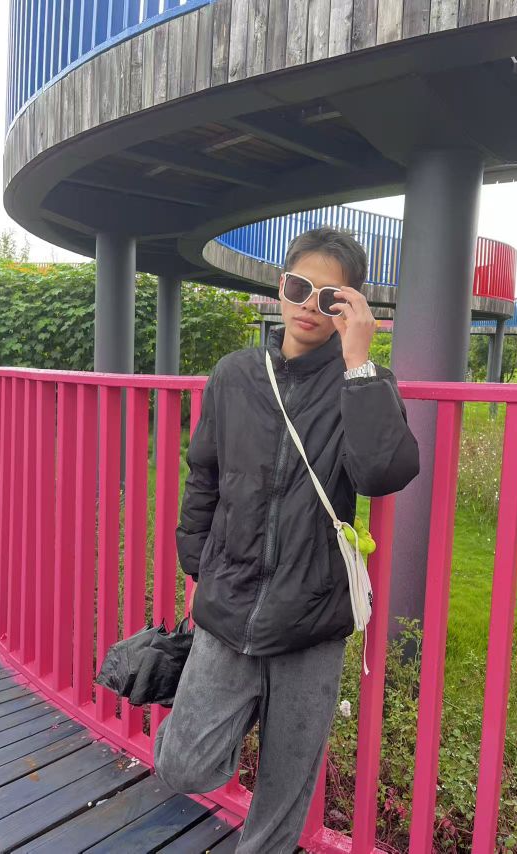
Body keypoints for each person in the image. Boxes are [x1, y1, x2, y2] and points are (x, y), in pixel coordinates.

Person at [153, 226, 420, 853]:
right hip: (231, 600)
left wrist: (361, 364)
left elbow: (383, 474)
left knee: (284, 793)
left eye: (330, 298)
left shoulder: (362, 382)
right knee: (183, 764)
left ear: (350, 306)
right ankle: (242, 706)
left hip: (312, 614)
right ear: (281, 286)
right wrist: (197, 565)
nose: (309, 306)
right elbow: (205, 475)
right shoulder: (234, 374)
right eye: (300, 288)